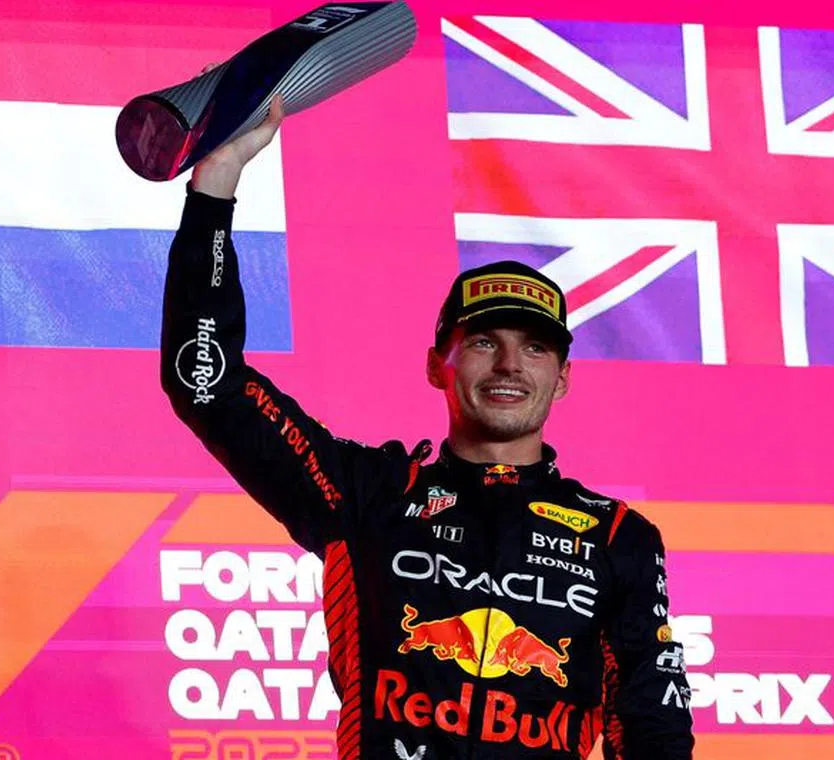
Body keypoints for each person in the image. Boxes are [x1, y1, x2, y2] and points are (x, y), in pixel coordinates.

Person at [160, 93, 694, 759]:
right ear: (436, 365)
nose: (509, 365)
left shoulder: (619, 537)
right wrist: (216, 184)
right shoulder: (364, 493)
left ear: (562, 378)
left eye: (534, 349)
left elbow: (653, 729)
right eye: (481, 342)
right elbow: (205, 381)